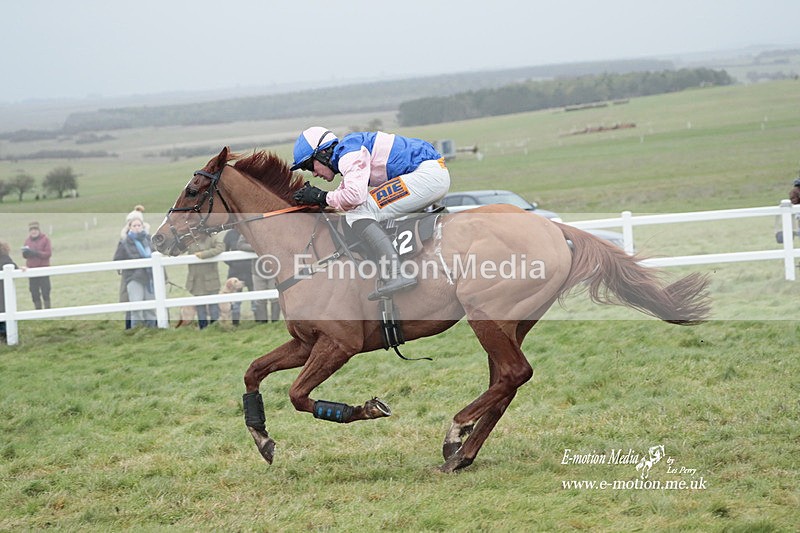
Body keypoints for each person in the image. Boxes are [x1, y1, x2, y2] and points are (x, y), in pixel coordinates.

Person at [290, 127, 450, 300]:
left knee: (360, 212)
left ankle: (397, 273)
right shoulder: (348, 151)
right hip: (429, 172)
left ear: (322, 153)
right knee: (359, 210)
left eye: (309, 166)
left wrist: (321, 196)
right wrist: (320, 197)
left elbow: (354, 197)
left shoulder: (348, 155)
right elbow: (345, 194)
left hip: (427, 175)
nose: (313, 174)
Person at [113, 218, 156, 328]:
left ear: (143, 226)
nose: (137, 227)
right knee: (136, 307)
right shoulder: (125, 242)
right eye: (134, 226)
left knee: (151, 307)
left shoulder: (149, 240)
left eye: (139, 225)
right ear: (130, 227)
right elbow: (117, 260)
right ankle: (137, 330)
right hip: (134, 278)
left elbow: (156, 255)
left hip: (150, 277)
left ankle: (152, 330)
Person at [119, 206, 151, 329]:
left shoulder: (147, 239)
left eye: (139, 225)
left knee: (150, 305)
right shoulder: (124, 240)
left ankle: (151, 328)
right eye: (133, 224)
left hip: (148, 276)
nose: (137, 227)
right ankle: (132, 329)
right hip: (132, 277)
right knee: (132, 304)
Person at [185, 232, 224, 329]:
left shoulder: (212, 237)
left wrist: (204, 254)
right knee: (200, 307)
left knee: (213, 306)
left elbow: (220, 248)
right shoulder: (189, 238)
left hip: (210, 279)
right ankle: (203, 328)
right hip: (196, 279)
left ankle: (215, 327)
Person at [223, 228, 254, 326]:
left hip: (250, 271)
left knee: (255, 298)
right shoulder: (229, 234)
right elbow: (224, 252)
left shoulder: (250, 231)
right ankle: (235, 323)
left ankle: (259, 322)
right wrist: (233, 264)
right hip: (235, 273)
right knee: (236, 302)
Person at [21, 221, 52, 309]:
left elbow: (48, 254)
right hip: (31, 269)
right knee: (34, 291)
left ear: (38, 230)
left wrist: (35, 253)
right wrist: (26, 253)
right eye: (31, 230)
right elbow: (24, 256)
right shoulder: (27, 241)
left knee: (45, 290)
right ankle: (37, 310)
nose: (33, 231)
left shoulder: (45, 239)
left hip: (43, 269)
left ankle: (47, 309)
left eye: (35, 229)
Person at [0, 240, 18, 343]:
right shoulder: (5, 258)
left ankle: (4, 335)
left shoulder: (4, 259)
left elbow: (13, 267)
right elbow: (14, 267)